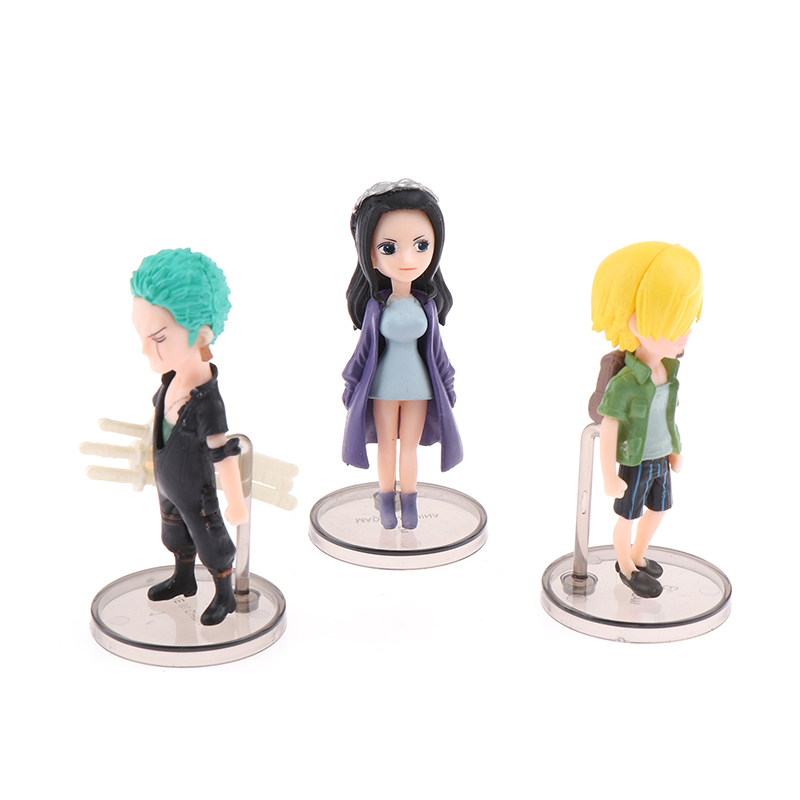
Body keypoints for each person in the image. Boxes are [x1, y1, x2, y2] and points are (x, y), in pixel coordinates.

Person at [131, 248, 248, 625]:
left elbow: (223, 455)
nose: (145, 350)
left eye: (158, 337)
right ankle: (184, 577)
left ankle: (225, 593)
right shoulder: (169, 382)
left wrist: (236, 503)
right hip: (168, 485)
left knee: (209, 539)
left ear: (201, 335)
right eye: (142, 336)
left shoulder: (207, 402)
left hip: (197, 492)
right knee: (173, 532)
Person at [342, 180, 463, 530]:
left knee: (408, 448)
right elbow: (363, 352)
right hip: (382, 386)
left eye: (421, 246)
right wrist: (351, 385)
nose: (408, 260)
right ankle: (385, 500)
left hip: (420, 387)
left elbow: (438, 353)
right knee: (386, 447)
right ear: (370, 255)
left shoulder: (427, 306)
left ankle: (409, 502)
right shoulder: (375, 308)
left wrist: (448, 385)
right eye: (390, 248)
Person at [591, 242, 703, 598]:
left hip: (660, 459)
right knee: (628, 515)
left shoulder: (668, 372)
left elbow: (667, 415)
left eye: (687, 321)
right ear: (637, 323)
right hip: (636, 462)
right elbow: (609, 428)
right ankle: (625, 566)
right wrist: (608, 475)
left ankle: (638, 554)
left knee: (659, 510)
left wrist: (674, 449)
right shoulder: (625, 383)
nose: (686, 332)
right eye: (676, 323)